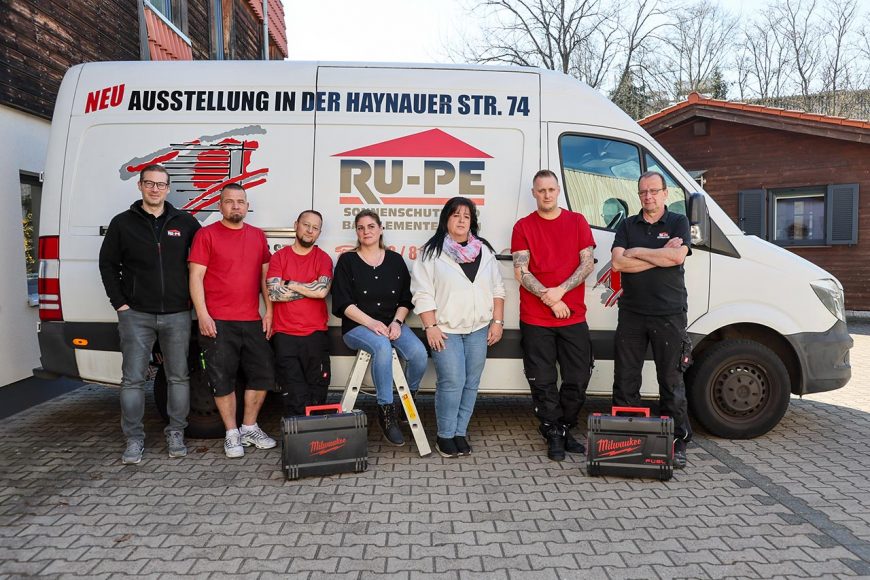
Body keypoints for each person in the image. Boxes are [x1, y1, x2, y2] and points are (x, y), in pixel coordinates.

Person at [99, 164, 200, 465]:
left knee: (178, 377)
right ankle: (133, 439)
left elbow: (201, 263)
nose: (155, 189)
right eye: (149, 183)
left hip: (177, 314)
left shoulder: (186, 222)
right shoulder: (122, 223)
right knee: (132, 380)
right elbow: (107, 265)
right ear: (140, 186)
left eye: (160, 184)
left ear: (168, 188)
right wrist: (120, 304)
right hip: (136, 315)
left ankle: (176, 433)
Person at [511, 169, 596, 462]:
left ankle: (565, 426)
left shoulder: (577, 222)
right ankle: (552, 432)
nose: (546, 195)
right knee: (543, 380)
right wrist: (550, 299)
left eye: (551, 189)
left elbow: (587, 264)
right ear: (534, 193)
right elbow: (521, 271)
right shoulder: (523, 226)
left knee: (578, 377)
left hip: (573, 316)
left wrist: (560, 291)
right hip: (536, 318)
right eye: (541, 190)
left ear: (558, 191)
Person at [611, 170, 693, 469]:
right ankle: (626, 440)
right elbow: (618, 263)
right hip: (632, 313)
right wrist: (659, 255)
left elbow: (677, 258)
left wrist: (637, 252)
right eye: (643, 191)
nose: (648, 196)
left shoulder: (678, 222)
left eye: (654, 191)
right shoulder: (627, 225)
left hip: (669, 313)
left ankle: (677, 441)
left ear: (665, 193)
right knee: (625, 380)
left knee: (671, 381)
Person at [411, 197, 505, 458]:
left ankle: (460, 433)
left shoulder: (484, 251)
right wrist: (430, 326)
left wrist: (497, 322)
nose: (462, 220)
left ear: (472, 221)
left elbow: (498, 288)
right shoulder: (431, 253)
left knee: (471, 383)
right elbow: (422, 293)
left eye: (466, 216)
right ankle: (445, 435)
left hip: (479, 329)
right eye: (456, 215)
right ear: (446, 220)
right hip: (445, 330)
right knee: (452, 382)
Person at [188, 183, 277, 459]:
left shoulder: (257, 236)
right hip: (218, 321)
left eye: (240, 201)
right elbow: (196, 277)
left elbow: (265, 277)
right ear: (220, 205)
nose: (235, 206)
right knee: (222, 378)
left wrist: (269, 311)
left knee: (263, 373)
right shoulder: (206, 235)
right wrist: (203, 314)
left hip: (251, 319)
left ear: (247, 206)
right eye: (229, 201)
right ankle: (231, 433)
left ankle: (249, 427)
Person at [331, 209, 428, 447]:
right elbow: (342, 303)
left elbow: (405, 299)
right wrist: (371, 323)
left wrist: (397, 322)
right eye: (361, 228)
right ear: (356, 232)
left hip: (392, 323)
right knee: (382, 346)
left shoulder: (395, 260)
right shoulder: (347, 261)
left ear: (381, 229)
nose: (366, 231)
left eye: (371, 226)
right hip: (358, 326)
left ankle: (407, 401)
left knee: (419, 353)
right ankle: (386, 412)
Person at [266, 210, 333, 416]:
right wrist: (309, 288)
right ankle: (296, 434)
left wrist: (288, 283)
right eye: (306, 225)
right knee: (293, 393)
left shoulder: (323, 258)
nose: (310, 230)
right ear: (296, 225)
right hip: (285, 335)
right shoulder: (279, 257)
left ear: (319, 232)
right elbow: (274, 293)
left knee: (317, 393)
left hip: (315, 335)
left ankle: (315, 434)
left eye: (315, 228)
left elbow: (322, 291)